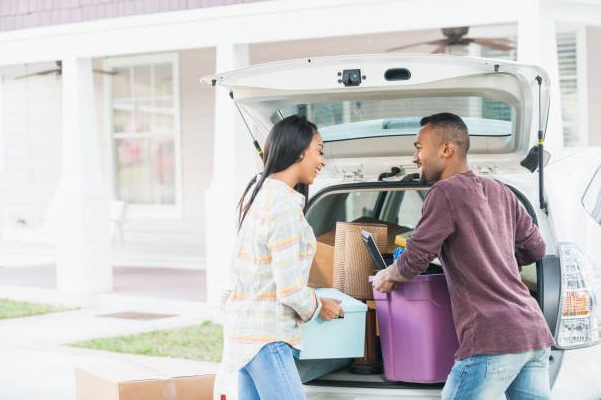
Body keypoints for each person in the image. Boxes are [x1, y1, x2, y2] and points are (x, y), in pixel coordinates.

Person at [373, 112, 555, 400]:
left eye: (419, 147)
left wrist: (387, 274)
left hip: (492, 339)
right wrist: (498, 257)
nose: (414, 157)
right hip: (533, 334)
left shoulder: (444, 192)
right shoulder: (501, 191)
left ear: (447, 149)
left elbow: (415, 259)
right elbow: (536, 249)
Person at [222, 115, 345, 400]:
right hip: (268, 337)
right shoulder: (284, 205)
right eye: (319, 150)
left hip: (245, 337)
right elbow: (289, 291)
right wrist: (318, 305)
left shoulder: (258, 195)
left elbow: (259, 273)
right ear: (301, 150)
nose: (322, 161)